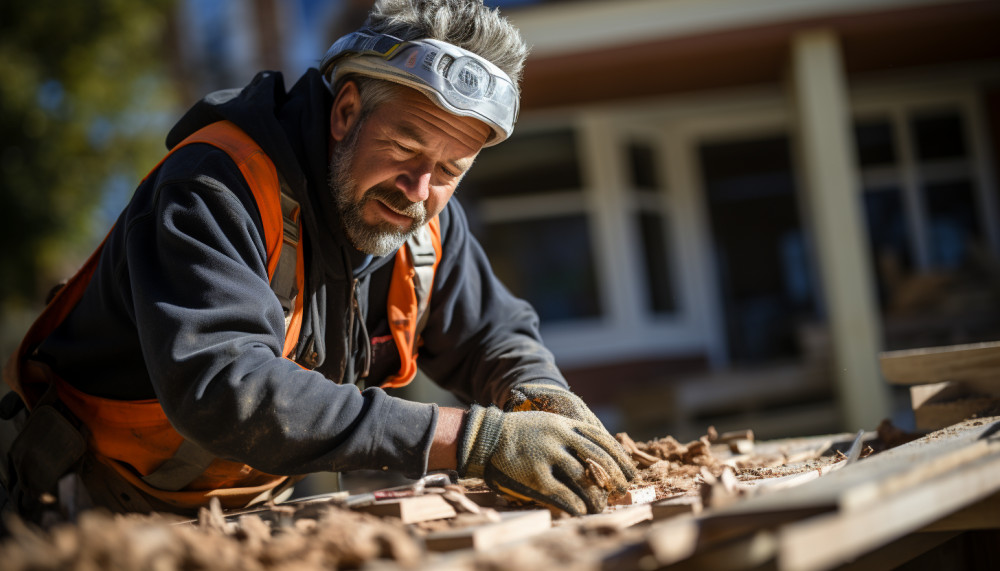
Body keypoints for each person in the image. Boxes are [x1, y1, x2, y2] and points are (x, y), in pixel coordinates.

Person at [1, 0, 634, 524]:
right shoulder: (214, 188)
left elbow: (492, 335)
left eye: (448, 170)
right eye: (404, 146)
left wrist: (539, 397)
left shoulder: (423, 222)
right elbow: (227, 391)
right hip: (78, 517)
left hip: (236, 523)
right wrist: (470, 442)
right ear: (346, 111)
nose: (419, 189)